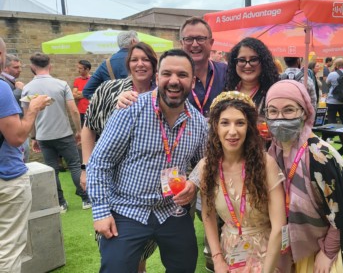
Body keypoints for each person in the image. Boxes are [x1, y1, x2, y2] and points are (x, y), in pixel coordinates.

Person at [86, 49, 207, 273]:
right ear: (157, 77)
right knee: (115, 268)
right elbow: (100, 162)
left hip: (171, 209)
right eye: (167, 74)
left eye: (182, 75)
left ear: (192, 80)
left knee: (185, 265)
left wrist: (194, 182)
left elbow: (206, 161)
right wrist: (101, 212)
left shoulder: (198, 122)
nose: (173, 81)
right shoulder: (130, 110)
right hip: (127, 209)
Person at [265, 80, 343, 272]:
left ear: (304, 112)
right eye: (272, 111)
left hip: (340, 234)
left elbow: (340, 211)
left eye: (289, 110)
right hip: (306, 239)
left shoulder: (320, 156)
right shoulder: (273, 152)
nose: (279, 118)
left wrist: (328, 252)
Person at [81, 42, 158, 273]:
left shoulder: (162, 94)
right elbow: (88, 128)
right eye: (135, 59)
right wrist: (86, 166)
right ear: (128, 64)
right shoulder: (108, 90)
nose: (140, 64)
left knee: (142, 245)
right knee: (111, 238)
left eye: (146, 59)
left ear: (154, 66)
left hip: (144, 185)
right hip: (108, 179)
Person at [189, 91, 287, 272]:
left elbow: (279, 225)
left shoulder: (266, 165)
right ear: (215, 127)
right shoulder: (207, 167)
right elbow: (208, 215)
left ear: (249, 127)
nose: (232, 131)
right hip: (229, 252)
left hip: (268, 253)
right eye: (225, 123)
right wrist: (217, 258)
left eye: (240, 123)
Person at [0, 37, 51, 273]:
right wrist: (33, 110)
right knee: (8, 248)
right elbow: (17, 137)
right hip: (6, 176)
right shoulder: (1, 88)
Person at [22, 52, 89, 212]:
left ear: (32, 67)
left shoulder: (27, 88)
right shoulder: (61, 84)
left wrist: (33, 137)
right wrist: (79, 131)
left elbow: (28, 116)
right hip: (64, 134)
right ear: (50, 66)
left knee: (52, 169)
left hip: (44, 136)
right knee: (74, 165)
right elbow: (73, 110)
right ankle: (86, 199)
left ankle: (60, 203)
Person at [225, 37, 279, 116]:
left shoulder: (273, 94)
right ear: (234, 63)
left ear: (263, 62)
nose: (247, 65)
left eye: (253, 60)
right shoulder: (227, 92)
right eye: (242, 60)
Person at [82, 30, 139, 99]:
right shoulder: (143, 61)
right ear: (133, 41)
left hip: (115, 108)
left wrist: (109, 100)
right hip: (141, 106)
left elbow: (87, 92)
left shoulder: (106, 64)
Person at [1, 54, 30, 162]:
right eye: (16, 67)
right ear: (5, 68)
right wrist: (19, 91)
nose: (20, 70)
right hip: (11, 131)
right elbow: (6, 102)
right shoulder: (3, 82)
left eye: (20, 67)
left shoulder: (11, 81)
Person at [325, 58, 343, 125]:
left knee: (331, 119)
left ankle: (331, 134)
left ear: (336, 65)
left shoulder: (332, 74)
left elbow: (327, 83)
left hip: (332, 100)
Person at [73, 60, 91, 126]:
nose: (78, 70)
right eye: (78, 68)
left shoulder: (93, 80)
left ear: (87, 69)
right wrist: (87, 93)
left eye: (80, 68)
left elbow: (94, 93)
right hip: (80, 111)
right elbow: (74, 95)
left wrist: (80, 92)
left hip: (90, 110)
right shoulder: (77, 80)